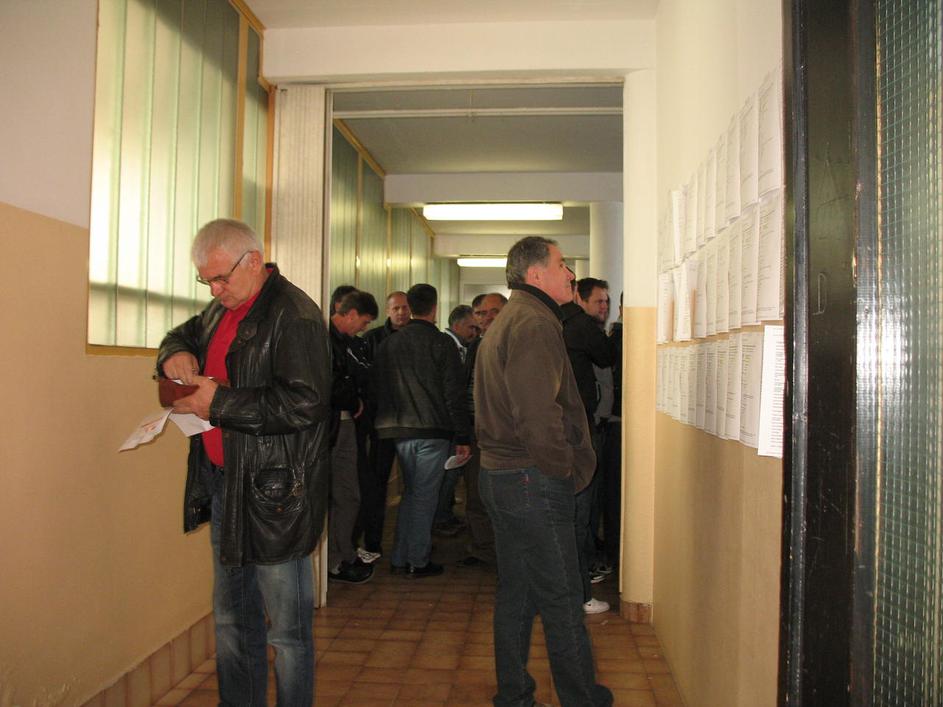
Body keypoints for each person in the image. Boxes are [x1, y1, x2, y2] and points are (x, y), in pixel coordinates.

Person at [158, 218, 330, 706]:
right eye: (206, 281)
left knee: (287, 634)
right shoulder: (221, 309)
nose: (214, 290)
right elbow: (183, 333)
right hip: (225, 483)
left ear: (253, 261)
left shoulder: (294, 315)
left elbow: (305, 404)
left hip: (277, 496)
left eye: (220, 278)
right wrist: (173, 353)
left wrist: (220, 403)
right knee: (233, 621)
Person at [475, 236, 612, 707]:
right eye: (562, 264)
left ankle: (514, 694)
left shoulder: (515, 317)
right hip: (531, 478)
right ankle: (582, 698)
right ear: (536, 274)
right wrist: (562, 471)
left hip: (505, 476)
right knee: (561, 596)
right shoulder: (533, 322)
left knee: (518, 592)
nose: (570, 273)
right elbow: (537, 414)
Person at [373, 284, 472, 577]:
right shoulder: (441, 343)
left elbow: (378, 387)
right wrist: (462, 435)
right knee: (425, 497)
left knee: (412, 494)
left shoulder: (389, 344)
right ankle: (417, 560)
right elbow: (453, 393)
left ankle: (400, 557)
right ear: (434, 307)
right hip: (433, 429)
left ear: (411, 307)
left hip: (398, 430)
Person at [562, 276, 614, 611]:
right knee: (580, 513)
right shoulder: (580, 325)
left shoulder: (551, 320)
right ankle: (580, 592)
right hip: (579, 429)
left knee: (572, 512)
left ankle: (571, 587)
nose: (604, 307)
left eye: (607, 302)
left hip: (562, 427)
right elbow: (607, 355)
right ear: (579, 298)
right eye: (599, 301)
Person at [328, 289, 378, 583]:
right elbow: (331, 384)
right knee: (343, 496)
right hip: (333, 426)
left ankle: (342, 555)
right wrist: (352, 399)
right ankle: (336, 560)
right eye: (364, 322)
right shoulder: (325, 341)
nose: (364, 328)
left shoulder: (347, 344)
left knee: (348, 496)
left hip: (344, 425)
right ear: (351, 314)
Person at [357, 290, 411, 559]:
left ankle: (411, 544)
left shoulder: (418, 337)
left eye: (405, 307)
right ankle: (373, 542)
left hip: (412, 423)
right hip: (381, 424)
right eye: (396, 308)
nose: (401, 312)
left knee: (414, 487)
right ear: (388, 311)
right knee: (376, 486)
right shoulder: (372, 339)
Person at [457, 292, 507, 567]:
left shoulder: (513, 342)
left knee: (504, 494)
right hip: (475, 429)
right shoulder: (475, 345)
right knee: (476, 492)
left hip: (503, 432)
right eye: (481, 313)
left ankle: (504, 550)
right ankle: (482, 548)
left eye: (494, 311)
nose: (487, 318)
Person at [434, 304, 479, 536]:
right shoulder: (450, 347)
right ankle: (441, 518)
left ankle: (444, 515)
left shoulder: (458, 347)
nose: (475, 332)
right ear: (458, 325)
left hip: (448, 423)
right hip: (449, 424)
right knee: (448, 476)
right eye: (471, 327)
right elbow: (453, 392)